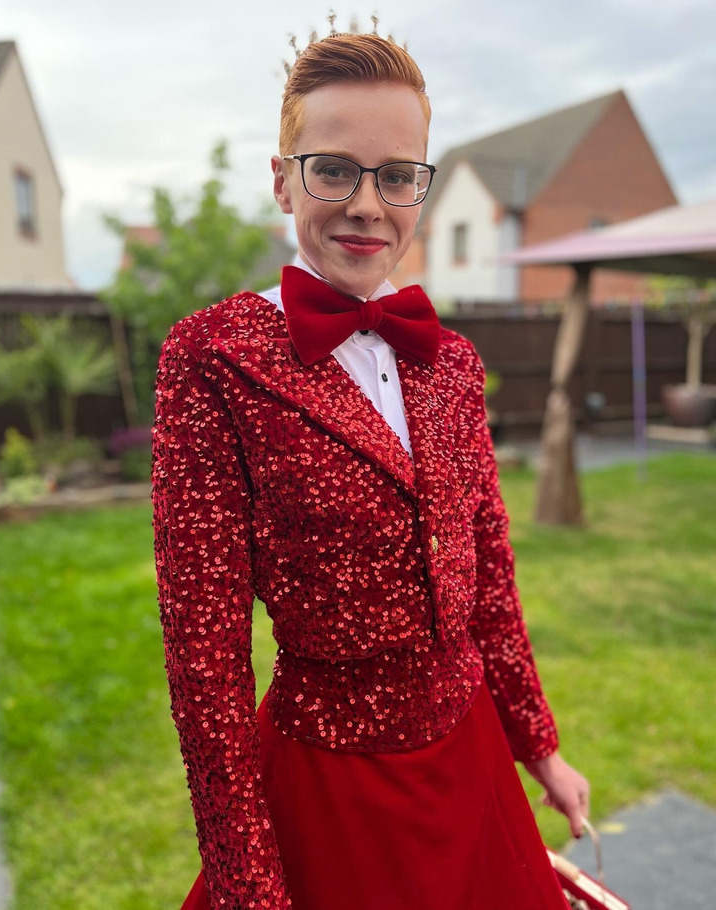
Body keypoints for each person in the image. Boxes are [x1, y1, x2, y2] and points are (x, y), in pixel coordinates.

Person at [152, 23, 589, 910]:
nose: (365, 203)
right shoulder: (212, 357)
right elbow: (206, 657)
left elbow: (490, 581)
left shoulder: (454, 362)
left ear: (420, 187)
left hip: (469, 761)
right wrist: (247, 877)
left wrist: (538, 745)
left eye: (396, 175)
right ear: (283, 178)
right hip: (330, 781)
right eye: (334, 169)